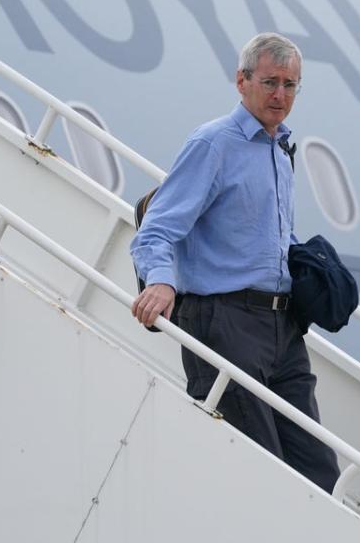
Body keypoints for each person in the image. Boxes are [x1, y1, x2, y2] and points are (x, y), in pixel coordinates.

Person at [129, 33, 340, 493]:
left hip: (282, 330)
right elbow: (157, 228)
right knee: (252, 469)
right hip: (225, 322)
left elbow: (270, 235)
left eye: (290, 85)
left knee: (318, 472)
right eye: (270, 82)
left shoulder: (280, 149)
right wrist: (161, 282)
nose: (280, 95)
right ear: (241, 81)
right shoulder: (214, 145)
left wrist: (312, 273)